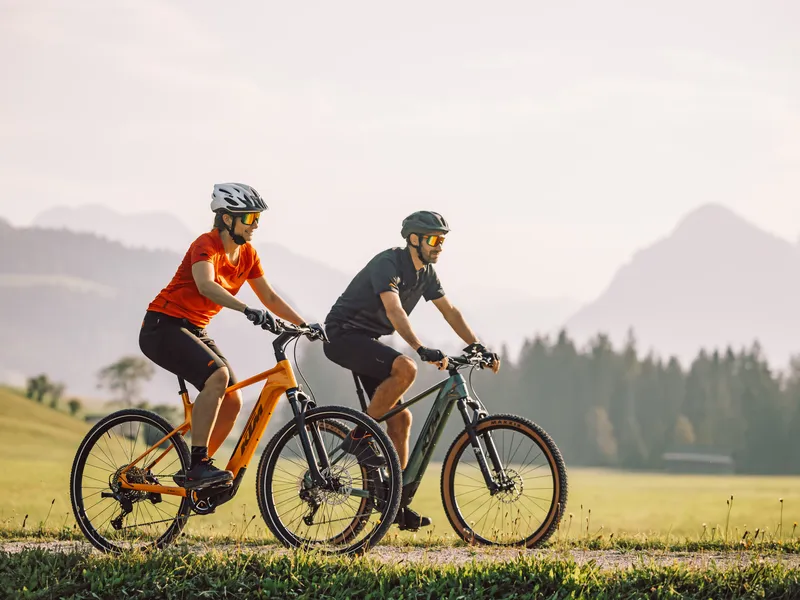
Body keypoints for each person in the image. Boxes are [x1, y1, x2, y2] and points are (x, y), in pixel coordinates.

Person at [323, 210, 500, 530]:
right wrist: (419, 349)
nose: (439, 246)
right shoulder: (388, 264)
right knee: (405, 368)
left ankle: (395, 502)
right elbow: (394, 309)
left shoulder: (427, 274)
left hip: (367, 340)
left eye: (443, 241)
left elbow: (450, 311)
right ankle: (359, 437)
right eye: (434, 240)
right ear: (414, 239)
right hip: (342, 335)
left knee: (402, 419)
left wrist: (477, 346)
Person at [139, 183, 323, 489]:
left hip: (195, 328)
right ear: (227, 219)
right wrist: (245, 309)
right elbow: (205, 285)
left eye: (258, 219)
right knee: (218, 377)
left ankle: (197, 477)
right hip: (163, 326)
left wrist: (304, 324)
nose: (256, 226)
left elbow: (270, 298)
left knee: (234, 400)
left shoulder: (248, 254)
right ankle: (199, 466)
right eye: (250, 218)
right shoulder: (206, 244)